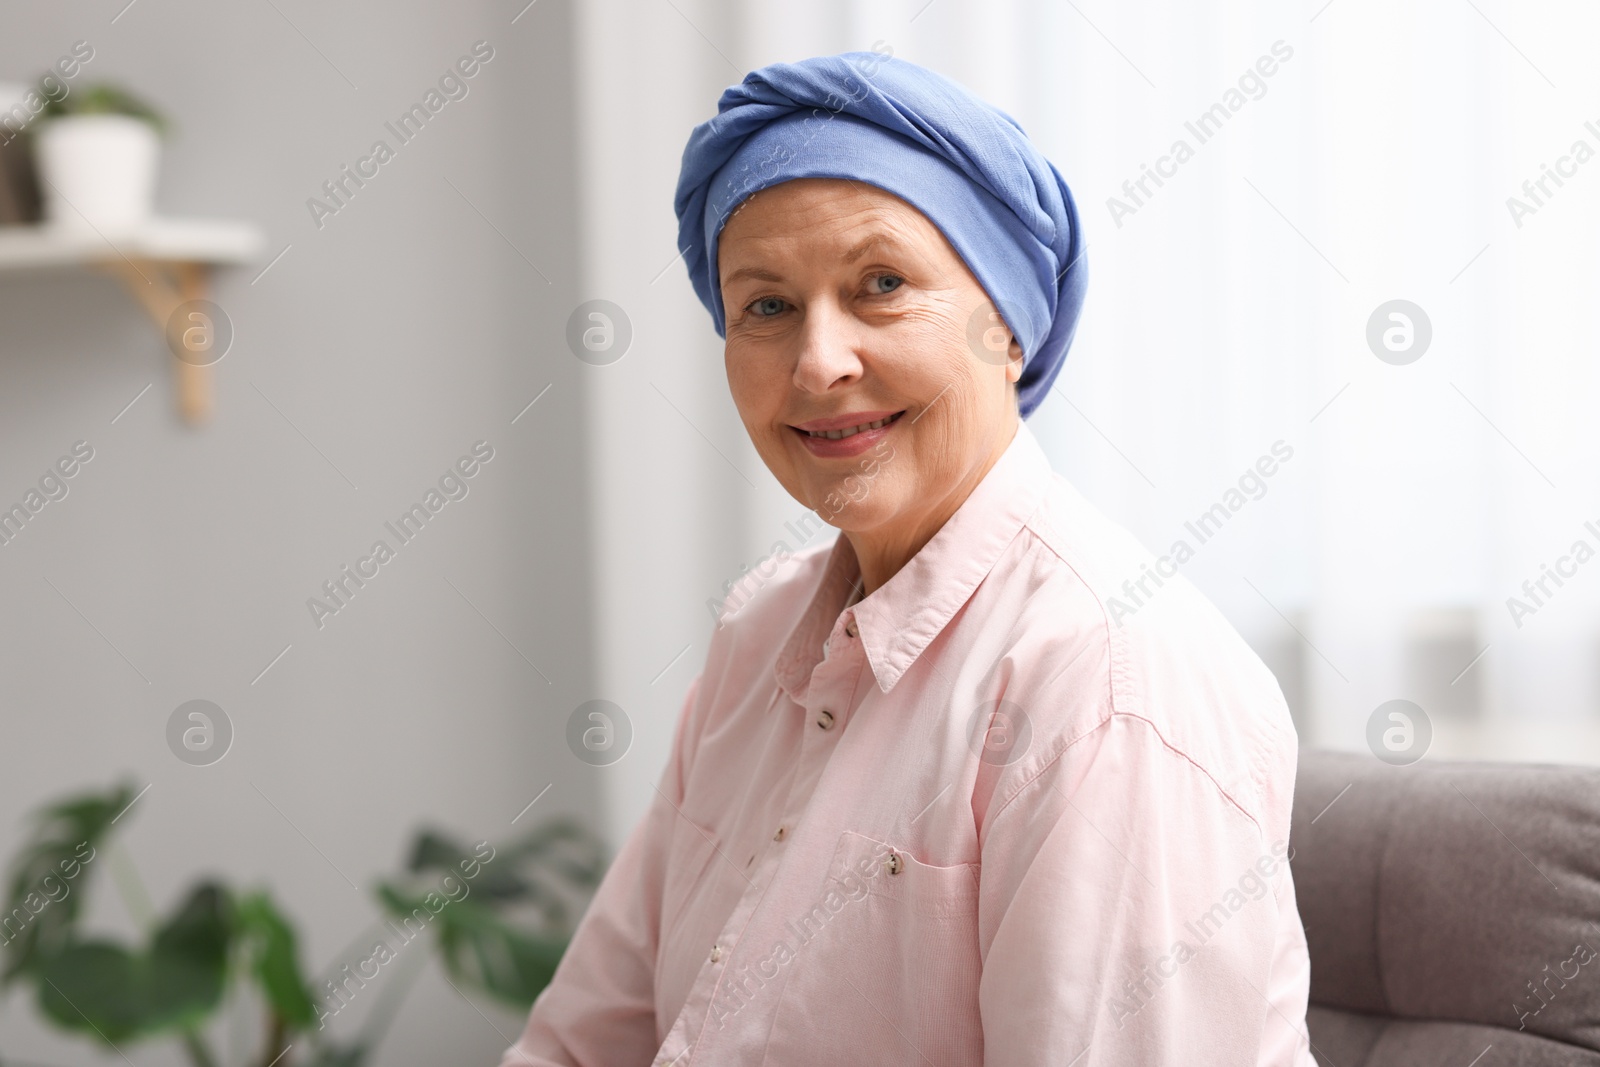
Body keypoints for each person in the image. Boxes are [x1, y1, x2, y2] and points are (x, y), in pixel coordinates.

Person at [499, 52, 1315, 1066]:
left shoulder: (1107, 682)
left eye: (880, 284)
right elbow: (589, 1037)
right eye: (765, 305)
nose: (816, 361)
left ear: (1009, 327)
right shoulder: (759, 630)